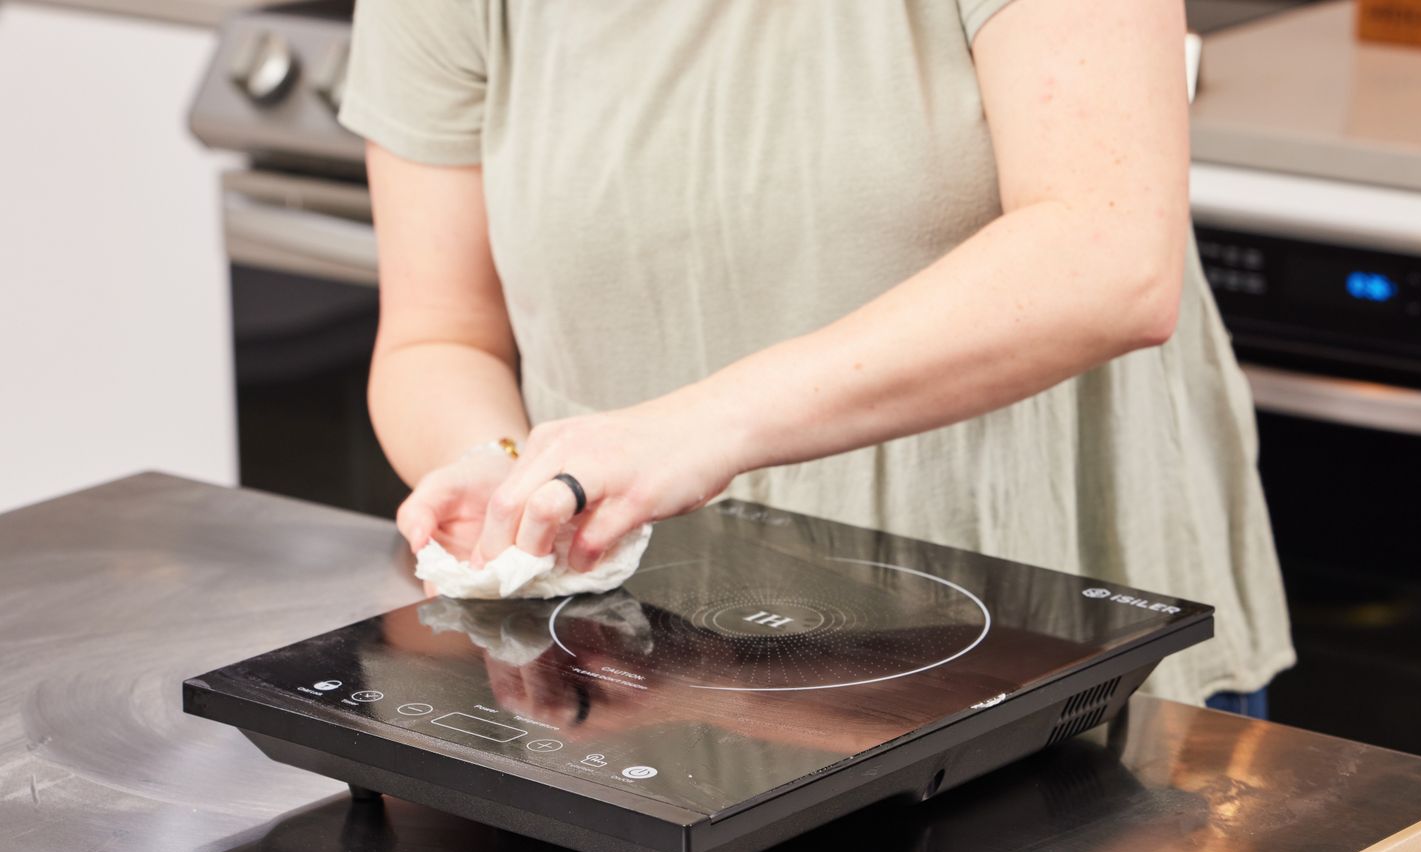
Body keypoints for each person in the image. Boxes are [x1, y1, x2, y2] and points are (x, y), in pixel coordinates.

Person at [337, 0, 1294, 711]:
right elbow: (440, 335)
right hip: (657, 690)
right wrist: (517, 488)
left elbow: (1110, 254)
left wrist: (695, 429)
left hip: (1048, 658)